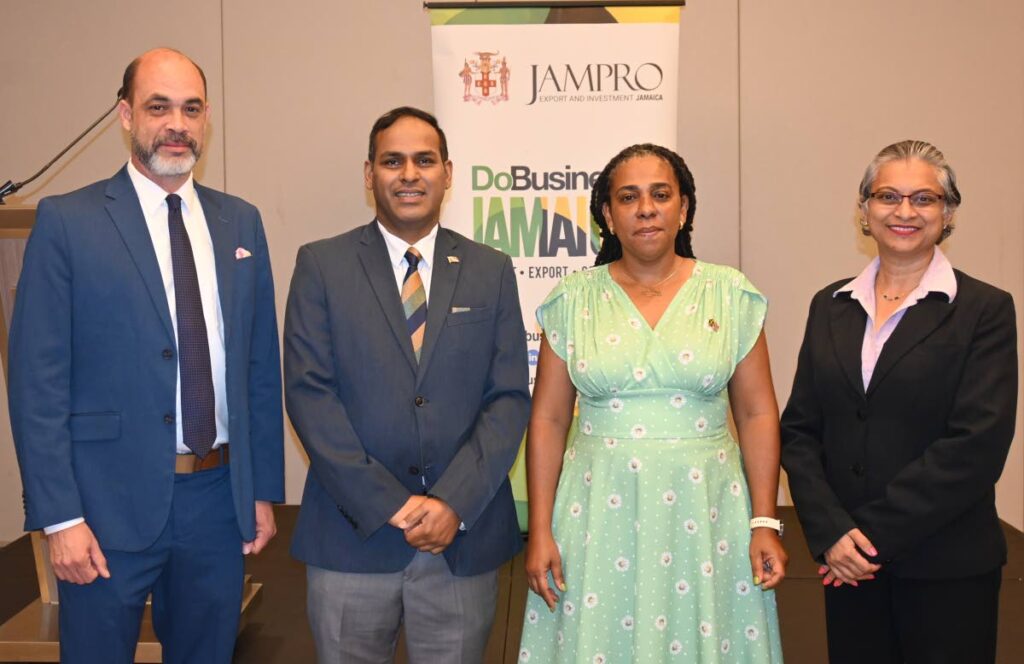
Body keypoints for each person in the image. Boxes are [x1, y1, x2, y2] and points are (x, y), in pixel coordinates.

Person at [8, 48, 284, 664]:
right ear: (126, 115)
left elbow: (259, 370)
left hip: (216, 502)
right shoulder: (67, 221)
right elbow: (37, 383)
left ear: (206, 118)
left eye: (190, 109)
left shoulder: (241, 223)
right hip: (104, 509)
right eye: (159, 107)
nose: (176, 124)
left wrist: (260, 490)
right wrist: (59, 519)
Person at [519, 144, 786, 662]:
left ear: (683, 209)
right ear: (607, 215)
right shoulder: (571, 299)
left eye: (661, 195)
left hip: (707, 514)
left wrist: (764, 521)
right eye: (629, 197)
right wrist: (542, 530)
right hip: (595, 512)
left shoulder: (730, 294)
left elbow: (757, 414)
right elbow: (549, 420)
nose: (646, 208)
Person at [285, 106, 530, 663]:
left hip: (460, 542)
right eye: (392, 161)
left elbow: (509, 398)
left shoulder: (490, 269)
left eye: (424, 160)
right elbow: (308, 394)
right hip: (353, 535)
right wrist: (391, 503)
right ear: (369, 174)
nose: (409, 174)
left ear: (448, 171)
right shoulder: (322, 265)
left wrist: (452, 501)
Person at [780, 140, 1017, 663]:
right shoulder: (830, 305)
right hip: (845, 568)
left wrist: (867, 539)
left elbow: (977, 443)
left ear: (948, 213)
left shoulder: (984, 310)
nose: (904, 211)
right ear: (863, 209)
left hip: (947, 568)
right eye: (888, 196)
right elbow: (799, 430)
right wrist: (830, 532)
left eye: (924, 199)